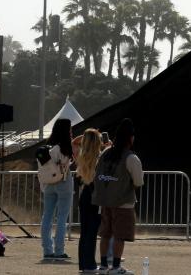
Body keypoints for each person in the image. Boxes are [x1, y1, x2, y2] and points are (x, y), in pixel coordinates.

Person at [92, 118, 144, 275]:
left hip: (105, 201)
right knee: (120, 235)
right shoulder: (131, 157)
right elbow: (139, 181)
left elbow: (97, 172)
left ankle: (102, 266)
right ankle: (115, 267)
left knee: (105, 234)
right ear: (130, 138)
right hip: (123, 203)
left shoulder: (106, 153)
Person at [37, 117, 74, 261]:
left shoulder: (48, 146)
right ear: (66, 130)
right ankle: (59, 250)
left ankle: (47, 249)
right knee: (62, 217)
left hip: (48, 183)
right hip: (63, 182)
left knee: (47, 216)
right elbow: (68, 163)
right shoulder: (65, 146)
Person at [74, 128, 104, 273]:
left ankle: (83, 264)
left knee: (84, 233)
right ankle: (90, 264)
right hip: (95, 195)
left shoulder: (82, 156)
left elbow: (75, 142)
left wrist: (85, 135)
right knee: (92, 232)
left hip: (84, 195)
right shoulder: (100, 157)